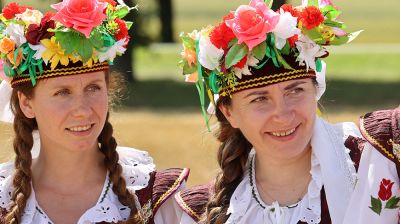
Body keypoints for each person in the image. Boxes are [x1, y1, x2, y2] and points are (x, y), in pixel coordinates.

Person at [174, 0, 371, 223]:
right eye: (260, 99)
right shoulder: (200, 212)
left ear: (315, 90)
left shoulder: (372, 171)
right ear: (229, 113)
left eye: (295, 90)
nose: (283, 114)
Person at [0, 1, 188, 223]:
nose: (82, 110)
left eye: (93, 88)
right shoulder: (5, 199)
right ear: (26, 103)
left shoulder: (153, 197)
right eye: (62, 92)